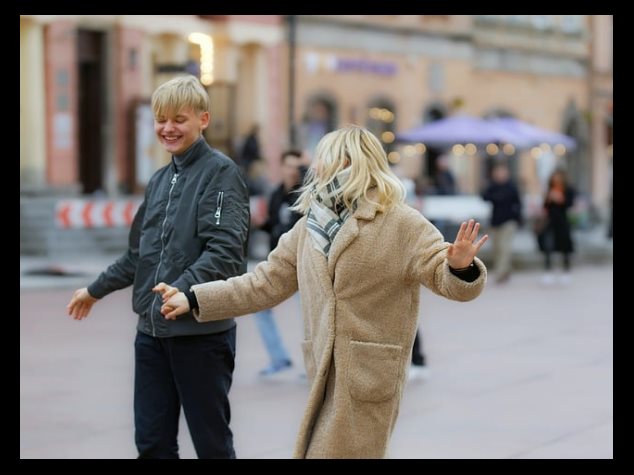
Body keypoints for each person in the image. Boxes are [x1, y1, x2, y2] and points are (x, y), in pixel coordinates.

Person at [154, 125, 488, 459]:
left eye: (321, 158)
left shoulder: (401, 223)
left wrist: (459, 267)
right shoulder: (309, 226)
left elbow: (447, 280)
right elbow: (263, 284)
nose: (313, 167)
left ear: (347, 161)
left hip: (368, 377)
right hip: (323, 373)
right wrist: (195, 297)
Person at [66, 75, 250, 459]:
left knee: (211, 444)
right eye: (161, 119)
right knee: (152, 443)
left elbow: (226, 251)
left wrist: (182, 289)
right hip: (151, 335)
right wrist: (94, 290)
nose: (168, 128)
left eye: (179, 119)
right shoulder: (159, 180)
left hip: (200, 336)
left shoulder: (221, 173)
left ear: (204, 119)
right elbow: (139, 255)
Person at [254, 149, 305, 377]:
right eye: (289, 165)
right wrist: (259, 224)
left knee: (310, 315)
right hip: (278, 264)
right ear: (282, 167)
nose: (293, 170)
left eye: (297, 166)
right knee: (260, 308)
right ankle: (278, 357)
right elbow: (275, 225)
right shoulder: (275, 194)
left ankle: (314, 365)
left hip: (301, 265)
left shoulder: (306, 194)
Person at [481, 163, 523, 284]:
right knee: (496, 248)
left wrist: (517, 218)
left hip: (509, 222)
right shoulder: (493, 186)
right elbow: (484, 197)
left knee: (505, 247)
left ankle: (500, 272)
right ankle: (506, 270)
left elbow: (518, 203)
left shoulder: (511, 187)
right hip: (495, 222)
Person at [538, 169, 575, 285]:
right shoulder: (549, 190)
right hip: (550, 222)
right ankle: (548, 272)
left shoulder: (568, 190)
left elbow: (569, 204)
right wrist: (549, 198)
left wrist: (559, 199)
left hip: (563, 222)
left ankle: (566, 271)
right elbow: (544, 206)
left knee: (565, 247)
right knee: (548, 246)